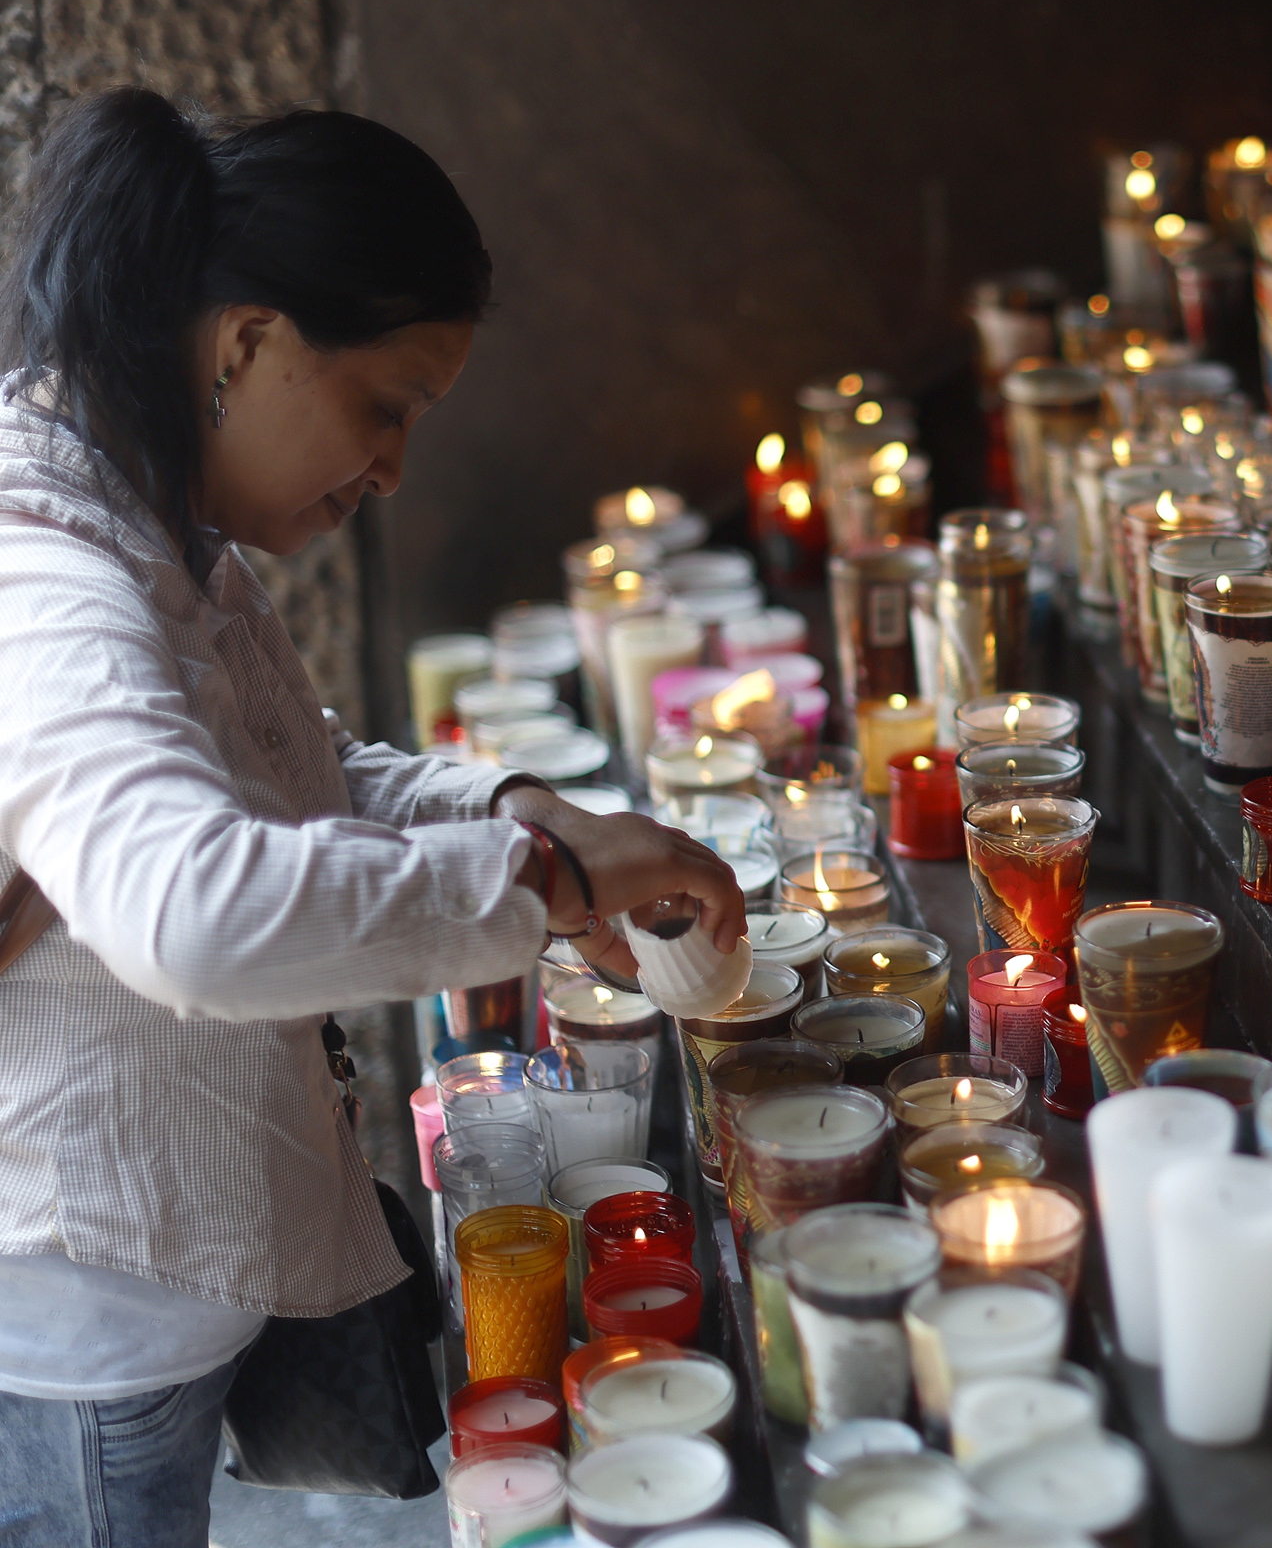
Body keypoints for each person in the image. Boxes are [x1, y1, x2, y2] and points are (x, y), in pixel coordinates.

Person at [0, 87, 744, 1546]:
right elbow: (198, 915)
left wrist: (523, 809)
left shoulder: (150, 511)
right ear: (247, 343)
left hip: (160, 1263)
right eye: (384, 405)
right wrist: (541, 880)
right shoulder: (54, 581)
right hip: (84, 1305)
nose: (395, 468)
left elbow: (296, 772)